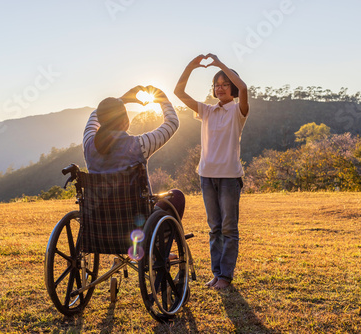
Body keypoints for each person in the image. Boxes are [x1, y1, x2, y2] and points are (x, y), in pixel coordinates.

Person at [174, 53, 249, 289]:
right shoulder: (206, 111)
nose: (221, 88)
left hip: (229, 178)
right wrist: (190, 67)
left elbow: (245, 87)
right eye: (217, 85)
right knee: (214, 228)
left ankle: (226, 277)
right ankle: (217, 274)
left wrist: (220, 65)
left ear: (233, 88)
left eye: (226, 84)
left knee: (229, 228)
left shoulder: (238, 111)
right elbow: (179, 93)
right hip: (206, 176)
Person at [82, 85, 185, 219]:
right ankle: (161, 239)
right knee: (176, 196)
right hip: (137, 221)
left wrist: (123, 99)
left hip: (101, 222)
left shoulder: (89, 144)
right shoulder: (139, 145)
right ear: (125, 121)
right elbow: (172, 123)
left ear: (101, 121)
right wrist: (162, 98)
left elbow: (94, 115)